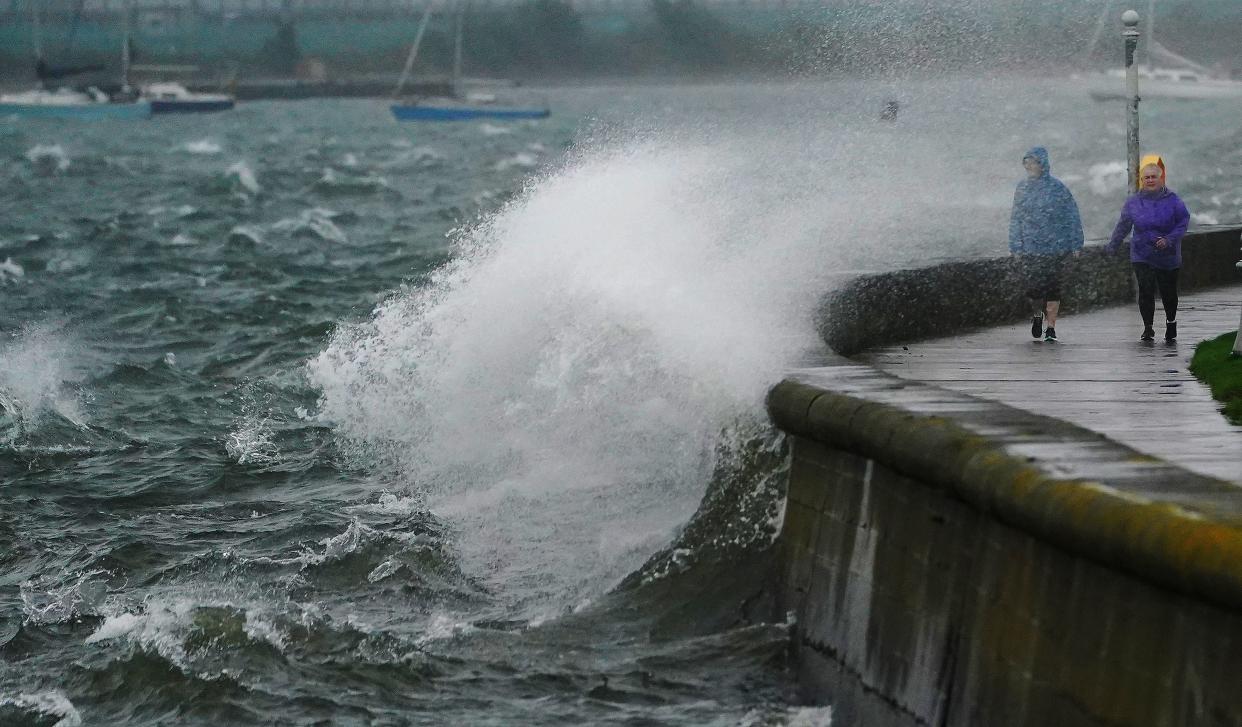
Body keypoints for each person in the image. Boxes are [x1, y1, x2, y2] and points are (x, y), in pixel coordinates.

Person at [1106, 154, 1190, 342]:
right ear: (1141, 180)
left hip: (1167, 254)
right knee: (1145, 289)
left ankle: (1171, 322)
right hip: (1142, 253)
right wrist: (1112, 246)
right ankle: (1148, 328)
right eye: (1147, 177)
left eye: (1154, 177)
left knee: (1168, 291)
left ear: (1161, 178)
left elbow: (1183, 222)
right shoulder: (1133, 202)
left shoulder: (1173, 200)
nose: (1150, 180)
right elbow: (1123, 225)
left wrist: (1169, 240)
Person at [1009, 146, 1085, 342]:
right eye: (1027, 163)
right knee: (1034, 288)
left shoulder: (1057, 188)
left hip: (1056, 248)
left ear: (1042, 164)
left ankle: (1050, 328)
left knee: (1053, 288)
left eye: (1033, 163)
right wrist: (1016, 246)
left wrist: (1076, 243)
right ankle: (1037, 315)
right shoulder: (1022, 188)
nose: (1029, 167)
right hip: (1032, 248)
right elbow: (1016, 217)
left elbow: (1071, 214)